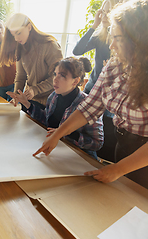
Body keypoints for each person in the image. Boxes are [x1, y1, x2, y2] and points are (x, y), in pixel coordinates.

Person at [33, 0, 148, 189]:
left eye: (117, 38)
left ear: (138, 40)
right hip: (123, 144)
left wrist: (119, 169)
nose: (111, 45)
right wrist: (58, 135)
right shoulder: (113, 66)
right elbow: (88, 108)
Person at [8, 57, 103, 159]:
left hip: (78, 157)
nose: (55, 79)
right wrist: (27, 104)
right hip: (56, 151)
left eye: (62, 76)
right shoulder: (54, 96)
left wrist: (66, 133)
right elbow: (47, 120)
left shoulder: (88, 105)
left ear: (75, 81)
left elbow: (97, 143)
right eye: (55, 74)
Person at [73, 0, 122, 162]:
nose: (106, 15)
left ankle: (103, 163)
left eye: (110, 11)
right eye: (104, 11)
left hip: (112, 94)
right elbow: (77, 50)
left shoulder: (124, 39)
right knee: (86, 127)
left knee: (107, 131)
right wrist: (94, 25)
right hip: (92, 88)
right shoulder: (100, 36)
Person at [0, 13, 63, 109]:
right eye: (13, 35)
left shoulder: (50, 45)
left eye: (18, 33)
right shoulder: (21, 47)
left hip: (50, 102)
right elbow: (20, 76)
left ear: (29, 27)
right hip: (30, 100)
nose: (16, 39)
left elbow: (58, 77)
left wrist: (36, 89)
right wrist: (16, 96)